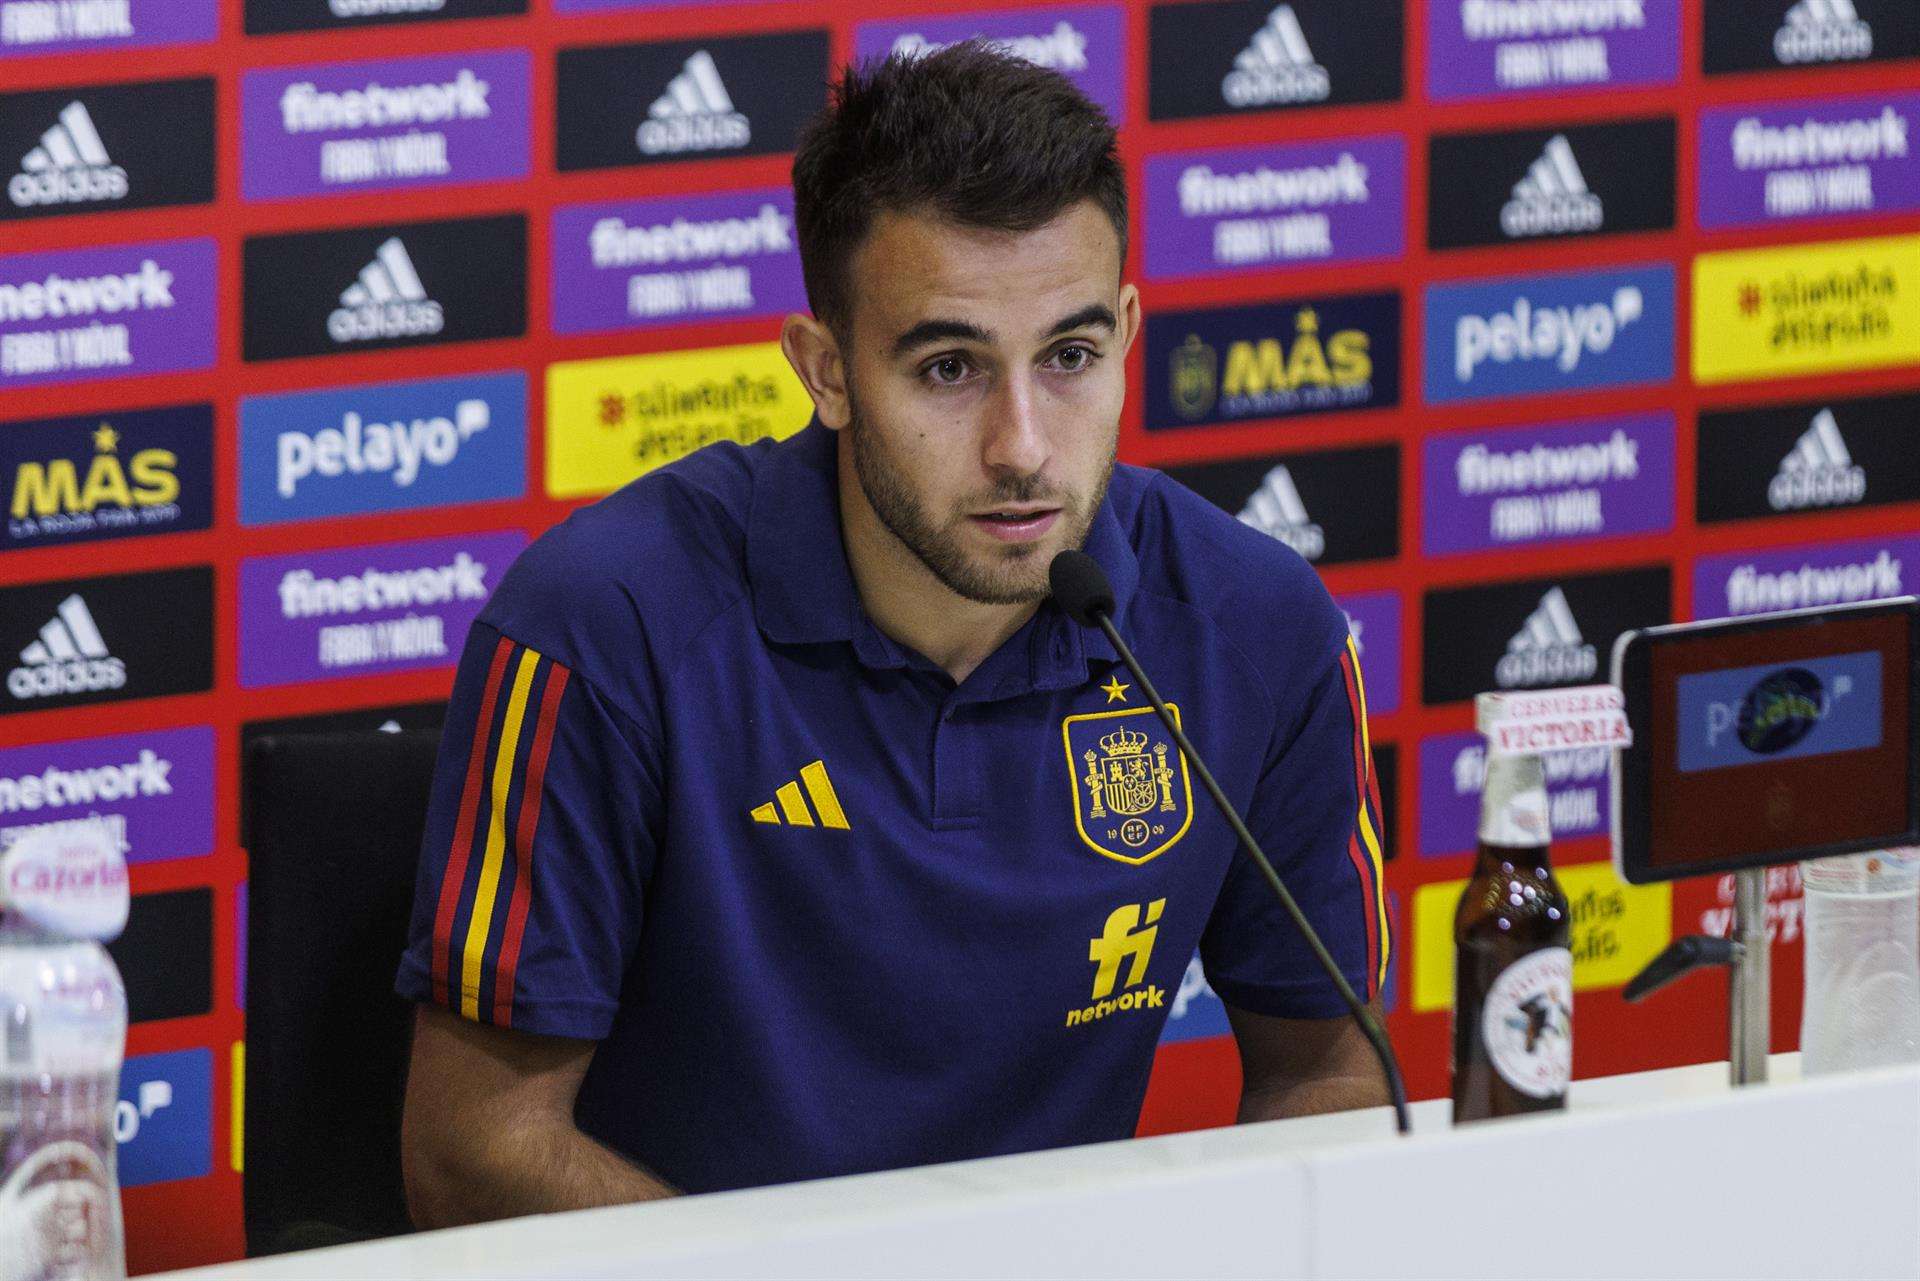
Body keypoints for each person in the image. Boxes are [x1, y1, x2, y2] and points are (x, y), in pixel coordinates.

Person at [396, 42, 1390, 1229]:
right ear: (826, 371)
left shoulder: (1259, 629)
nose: (1023, 446)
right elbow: (473, 1149)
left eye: (1071, 357)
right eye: (950, 367)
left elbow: (1328, 1077)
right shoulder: (603, 625)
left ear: (1128, 335)